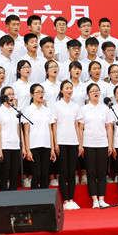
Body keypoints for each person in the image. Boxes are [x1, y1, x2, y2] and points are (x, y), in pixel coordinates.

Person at [78, 83, 114, 208]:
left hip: (103, 143)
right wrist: (81, 145)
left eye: (97, 90)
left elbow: (109, 127)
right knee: (91, 172)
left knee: (102, 173)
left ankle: (102, 199)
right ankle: (94, 199)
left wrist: (110, 144)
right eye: (92, 91)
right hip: (88, 143)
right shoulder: (83, 109)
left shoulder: (105, 109)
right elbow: (80, 128)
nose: (95, 93)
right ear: (88, 94)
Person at [51, 80, 82, 209]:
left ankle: (71, 199)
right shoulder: (56, 106)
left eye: (71, 88)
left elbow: (77, 125)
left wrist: (80, 144)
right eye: (67, 88)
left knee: (72, 172)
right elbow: (54, 126)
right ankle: (64, 201)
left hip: (73, 142)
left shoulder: (75, 106)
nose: (69, 90)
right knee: (63, 172)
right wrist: (55, 143)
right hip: (61, 142)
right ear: (61, 90)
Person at [24, 84, 55, 189]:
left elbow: (50, 130)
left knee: (45, 174)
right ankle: (34, 197)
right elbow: (26, 131)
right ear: (32, 94)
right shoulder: (28, 110)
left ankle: (45, 197)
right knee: (36, 174)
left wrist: (52, 149)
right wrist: (28, 150)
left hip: (46, 145)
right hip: (34, 145)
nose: (41, 94)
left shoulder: (47, 110)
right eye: (38, 92)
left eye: (42, 92)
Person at [0, 87, 23, 191]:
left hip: (16, 146)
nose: (11, 96)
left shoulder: (16, 111)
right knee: (4, 175)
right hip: (5, 146)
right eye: (9, 94)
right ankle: (3, 197)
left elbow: (19, 130)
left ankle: (13, 197)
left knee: (15, 175)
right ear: (3, 96)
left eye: (13, 94)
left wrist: (22, 147)